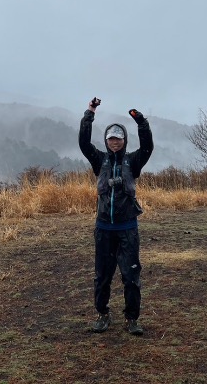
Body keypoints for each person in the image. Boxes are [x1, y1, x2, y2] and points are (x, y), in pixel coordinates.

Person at [79, 97, 153, 335]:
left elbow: (148, 146)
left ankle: (132, 319)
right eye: (111, 139)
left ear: (124, 141)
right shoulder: (99, 160)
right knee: (102, 277)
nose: (114, 142)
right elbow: (83, 142)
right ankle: (102, 315)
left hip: (127, 229)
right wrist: (90, 113)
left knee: (131, 276)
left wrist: (141, 121)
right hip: (103, 230)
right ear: (106, 140)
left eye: (118, 139)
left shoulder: (133, 161)